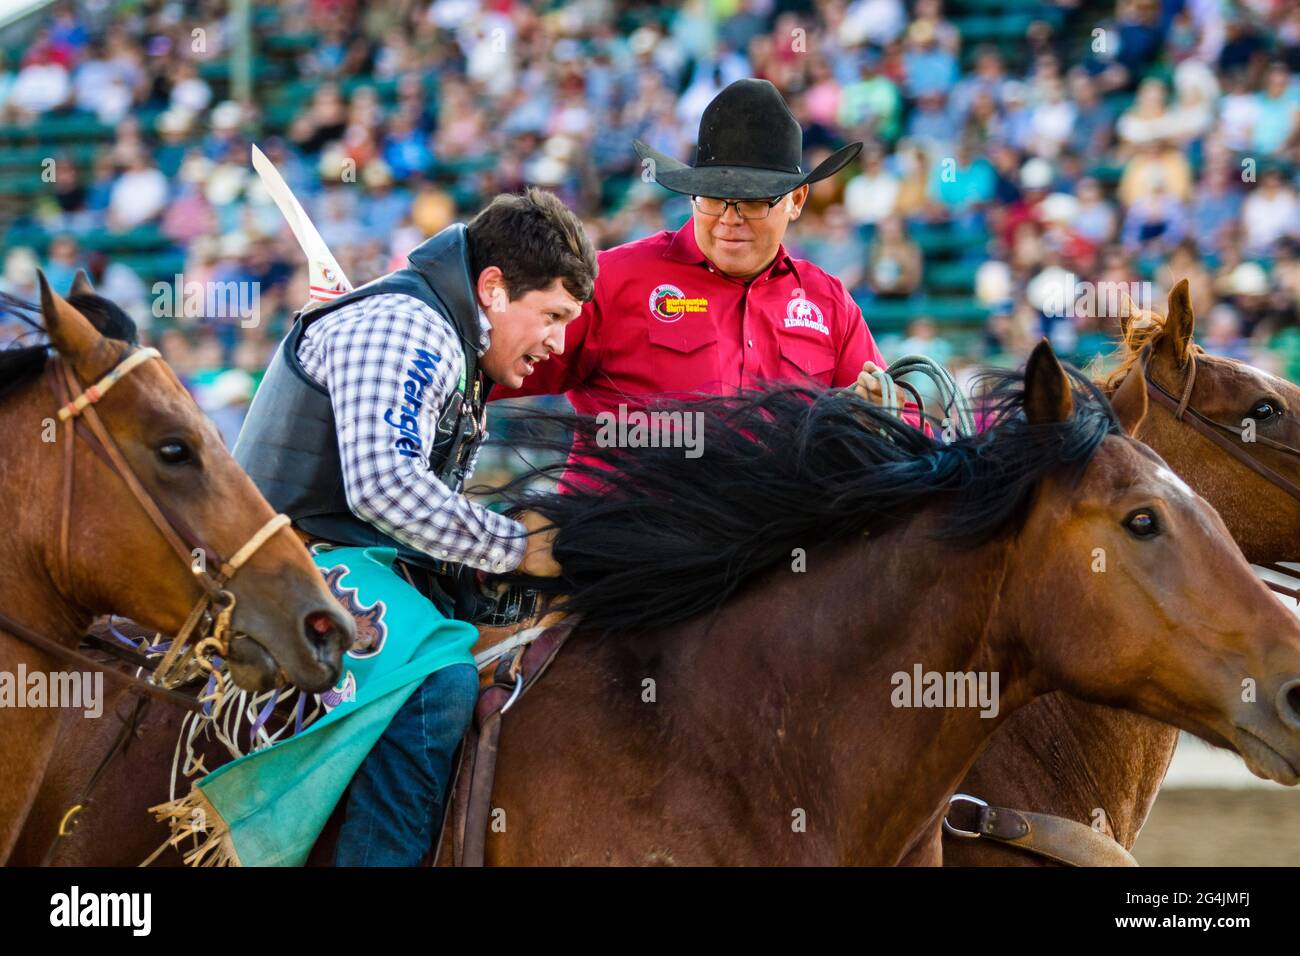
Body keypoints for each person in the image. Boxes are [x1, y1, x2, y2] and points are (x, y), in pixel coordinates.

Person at [233, 187, 598, 865]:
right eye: (551, 314)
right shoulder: (409, 326)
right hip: (284, 560)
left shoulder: (446, 336)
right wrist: (517, 547)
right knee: (438, 684)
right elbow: (384, 485)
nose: (558, 342)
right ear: (492, 288)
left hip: (342, 555)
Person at [493, 78, 913, 438]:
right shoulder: (612, 279)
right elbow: (492, 364)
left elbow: (902, 425)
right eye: (713, 199)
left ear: (797, 200)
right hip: (629, 527)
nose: (730, 220)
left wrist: (877, 418)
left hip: (777, 528)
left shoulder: (829, 302)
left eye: (752, 203)